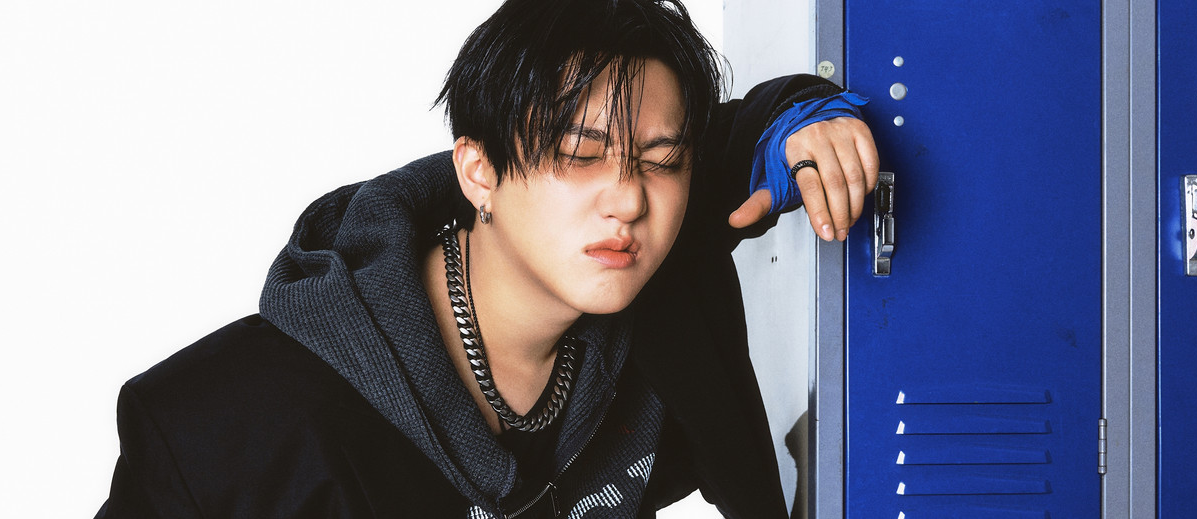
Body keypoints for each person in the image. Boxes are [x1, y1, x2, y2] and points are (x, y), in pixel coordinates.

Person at [94, 0, 878, 517]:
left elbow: (737, 141)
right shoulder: (226, 426)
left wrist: (804, 121)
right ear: (478, 172)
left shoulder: (653, 283)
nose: (628, 199)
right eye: (579, 154)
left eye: (660, 160)